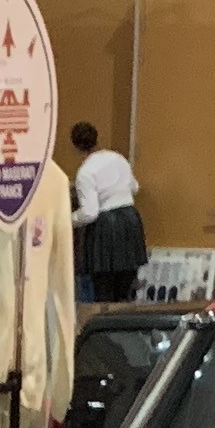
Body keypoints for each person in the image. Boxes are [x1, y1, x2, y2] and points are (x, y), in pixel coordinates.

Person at [69, 121, 145, 301]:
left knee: (104, 290)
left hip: (106, 228)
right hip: (130, 220)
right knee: (125, 288)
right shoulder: (118, 158)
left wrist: (68, 219)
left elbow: (90, 212)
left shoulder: (85, 172)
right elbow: (135, 187)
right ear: (96, 138)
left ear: (76, 147)